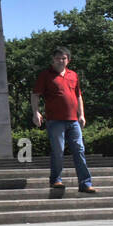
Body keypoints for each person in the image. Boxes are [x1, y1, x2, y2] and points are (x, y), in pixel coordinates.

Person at [31, 46, 96, 192]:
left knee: (79, 150)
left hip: (73, 120)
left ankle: (85, 184)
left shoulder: (73, 75)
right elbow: (35, 95)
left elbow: (78, 96)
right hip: (55, 120)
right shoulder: (45, 75)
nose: (61, 60)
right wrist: (36, 112)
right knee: (58, 150)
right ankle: (56, 180)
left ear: (68, 60)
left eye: (63, 58)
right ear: (52, 60)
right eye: (57, 58)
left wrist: (82, 115)